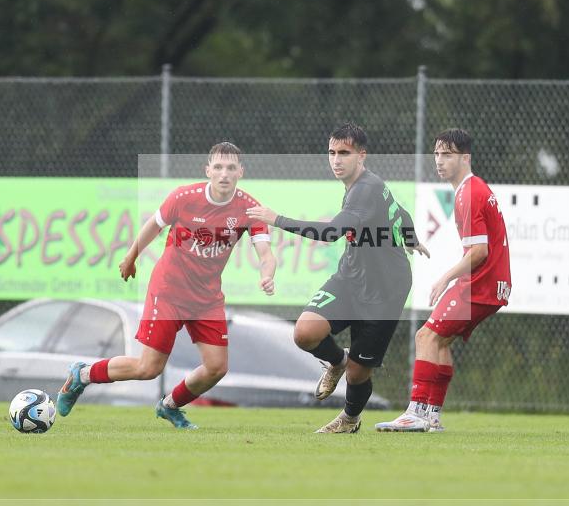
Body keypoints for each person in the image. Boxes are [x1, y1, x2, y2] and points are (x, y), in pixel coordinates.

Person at [56, 142, 276, 429]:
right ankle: (82, 375)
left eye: (231, 167)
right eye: (218, 167)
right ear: (207, 170)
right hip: (169, 290)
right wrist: (131, 256)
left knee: (216, 368)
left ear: (240, 172)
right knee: (148, 368)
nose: (224, 173)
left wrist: (267, 274)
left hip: (206, 298)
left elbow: (266, 253)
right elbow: (153, 226)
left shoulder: (249, 208)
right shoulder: (184, 197)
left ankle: (170, 406)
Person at [247, 123, 428, 433]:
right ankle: (336, 361)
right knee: (305, 332)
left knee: (359, 375)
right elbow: (399, 211)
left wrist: (275, 219)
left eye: (344, 153)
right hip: (350, 277)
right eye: (331, 152)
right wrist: (410, 238)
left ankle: (350, 419)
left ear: (362, 156)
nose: (336, 159)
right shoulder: (365, 186)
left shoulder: (365, 189)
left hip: (385, 291)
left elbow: (330, 233)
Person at [375, 128, 511, 432]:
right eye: (436, 153)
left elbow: (479, 252)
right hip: (492, 286)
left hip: (480, 284)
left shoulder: (470, 193)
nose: (439, 160)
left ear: (465, 157)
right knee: (441, 341)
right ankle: (432, 415)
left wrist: (445, 278)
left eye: (447, 154)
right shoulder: (470, 189)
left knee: (425, 336)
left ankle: (415, 411)